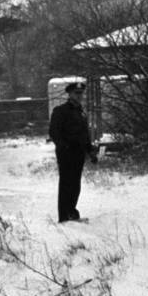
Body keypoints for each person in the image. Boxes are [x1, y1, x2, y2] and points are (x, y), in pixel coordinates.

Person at [48, 82, 97, 222]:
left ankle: (71, 212)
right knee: (66, 184)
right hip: (66, 153)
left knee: (75, 184)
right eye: (76, 93)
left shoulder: (81, 111)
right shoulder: (60, 111)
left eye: (81, 93)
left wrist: (90, 151)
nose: (79, 96)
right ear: (69, 94)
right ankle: (63, 217)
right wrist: (65, 147)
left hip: (79, 153)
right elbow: (54, 132)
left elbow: (84, 134)